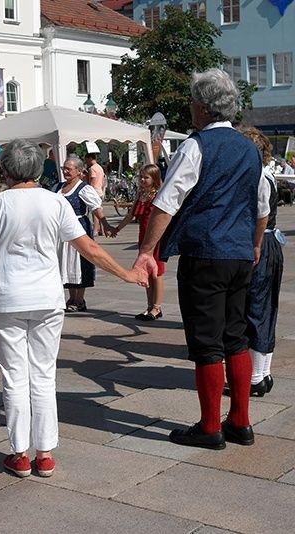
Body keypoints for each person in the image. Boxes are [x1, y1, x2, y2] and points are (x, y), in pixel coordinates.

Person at [0, 138, 148, 478]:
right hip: (46, 298)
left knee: (14, 377)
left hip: (8, 298)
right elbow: (88, 248)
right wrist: (126, 274)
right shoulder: (55, 202)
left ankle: (20, 454)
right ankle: (44, 454)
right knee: (43, 375)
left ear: (7, 170)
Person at [133, 69, 271, 450]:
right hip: (239, 253)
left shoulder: (196, 146)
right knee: (236, 337)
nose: (190, 107)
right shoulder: (249, 148)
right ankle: (240, 421)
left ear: (205, 107)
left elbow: (166, 202)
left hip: (205, 252)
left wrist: (146, 251)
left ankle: (210, 426)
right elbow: (261, 205)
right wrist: (254, 245)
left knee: (207, 343)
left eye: (193, 101)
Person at [233, 127, 283, 397]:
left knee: (254, 308)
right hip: (269, 243)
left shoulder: (258, 177)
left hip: (261, 244)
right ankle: (262, 374)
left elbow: (261, 214)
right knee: (264, 308)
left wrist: (255, 245)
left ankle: (255, 378)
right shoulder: (267, 174)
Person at [55, 155, 114, 312]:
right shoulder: (57, 187)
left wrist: (105, 224)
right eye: (64, 169)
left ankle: (79, 299)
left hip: (79, 228)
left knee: (80, 262)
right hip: (62, 230)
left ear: (79, 171)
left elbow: (96, 208)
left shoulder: (84, 188)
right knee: (65, 262)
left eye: (69, 169)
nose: (65, 172)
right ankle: (71, 297)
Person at [112, 164, 166, 321]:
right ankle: (149, 306)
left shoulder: (159, 194)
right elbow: (130, 215)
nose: (142, 180)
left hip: (155, 237)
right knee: (146, 271)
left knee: (157, 272)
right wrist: (117, 229)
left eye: (146, 177)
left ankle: (157, 307)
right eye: (140, 177)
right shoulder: (141, 194)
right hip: (143, 237)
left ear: (154, 178)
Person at [85, 152, 106, 235]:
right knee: (100, 210)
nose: (86, 161)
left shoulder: (92, 169)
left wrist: (87, 180)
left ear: (90, 158)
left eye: (86, 159)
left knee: (95, 212)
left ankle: (95, 230)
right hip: (99, 190)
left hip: (94, 191)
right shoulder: (100, 167)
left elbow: (92, 181)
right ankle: (102, 229)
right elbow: (103, 180)